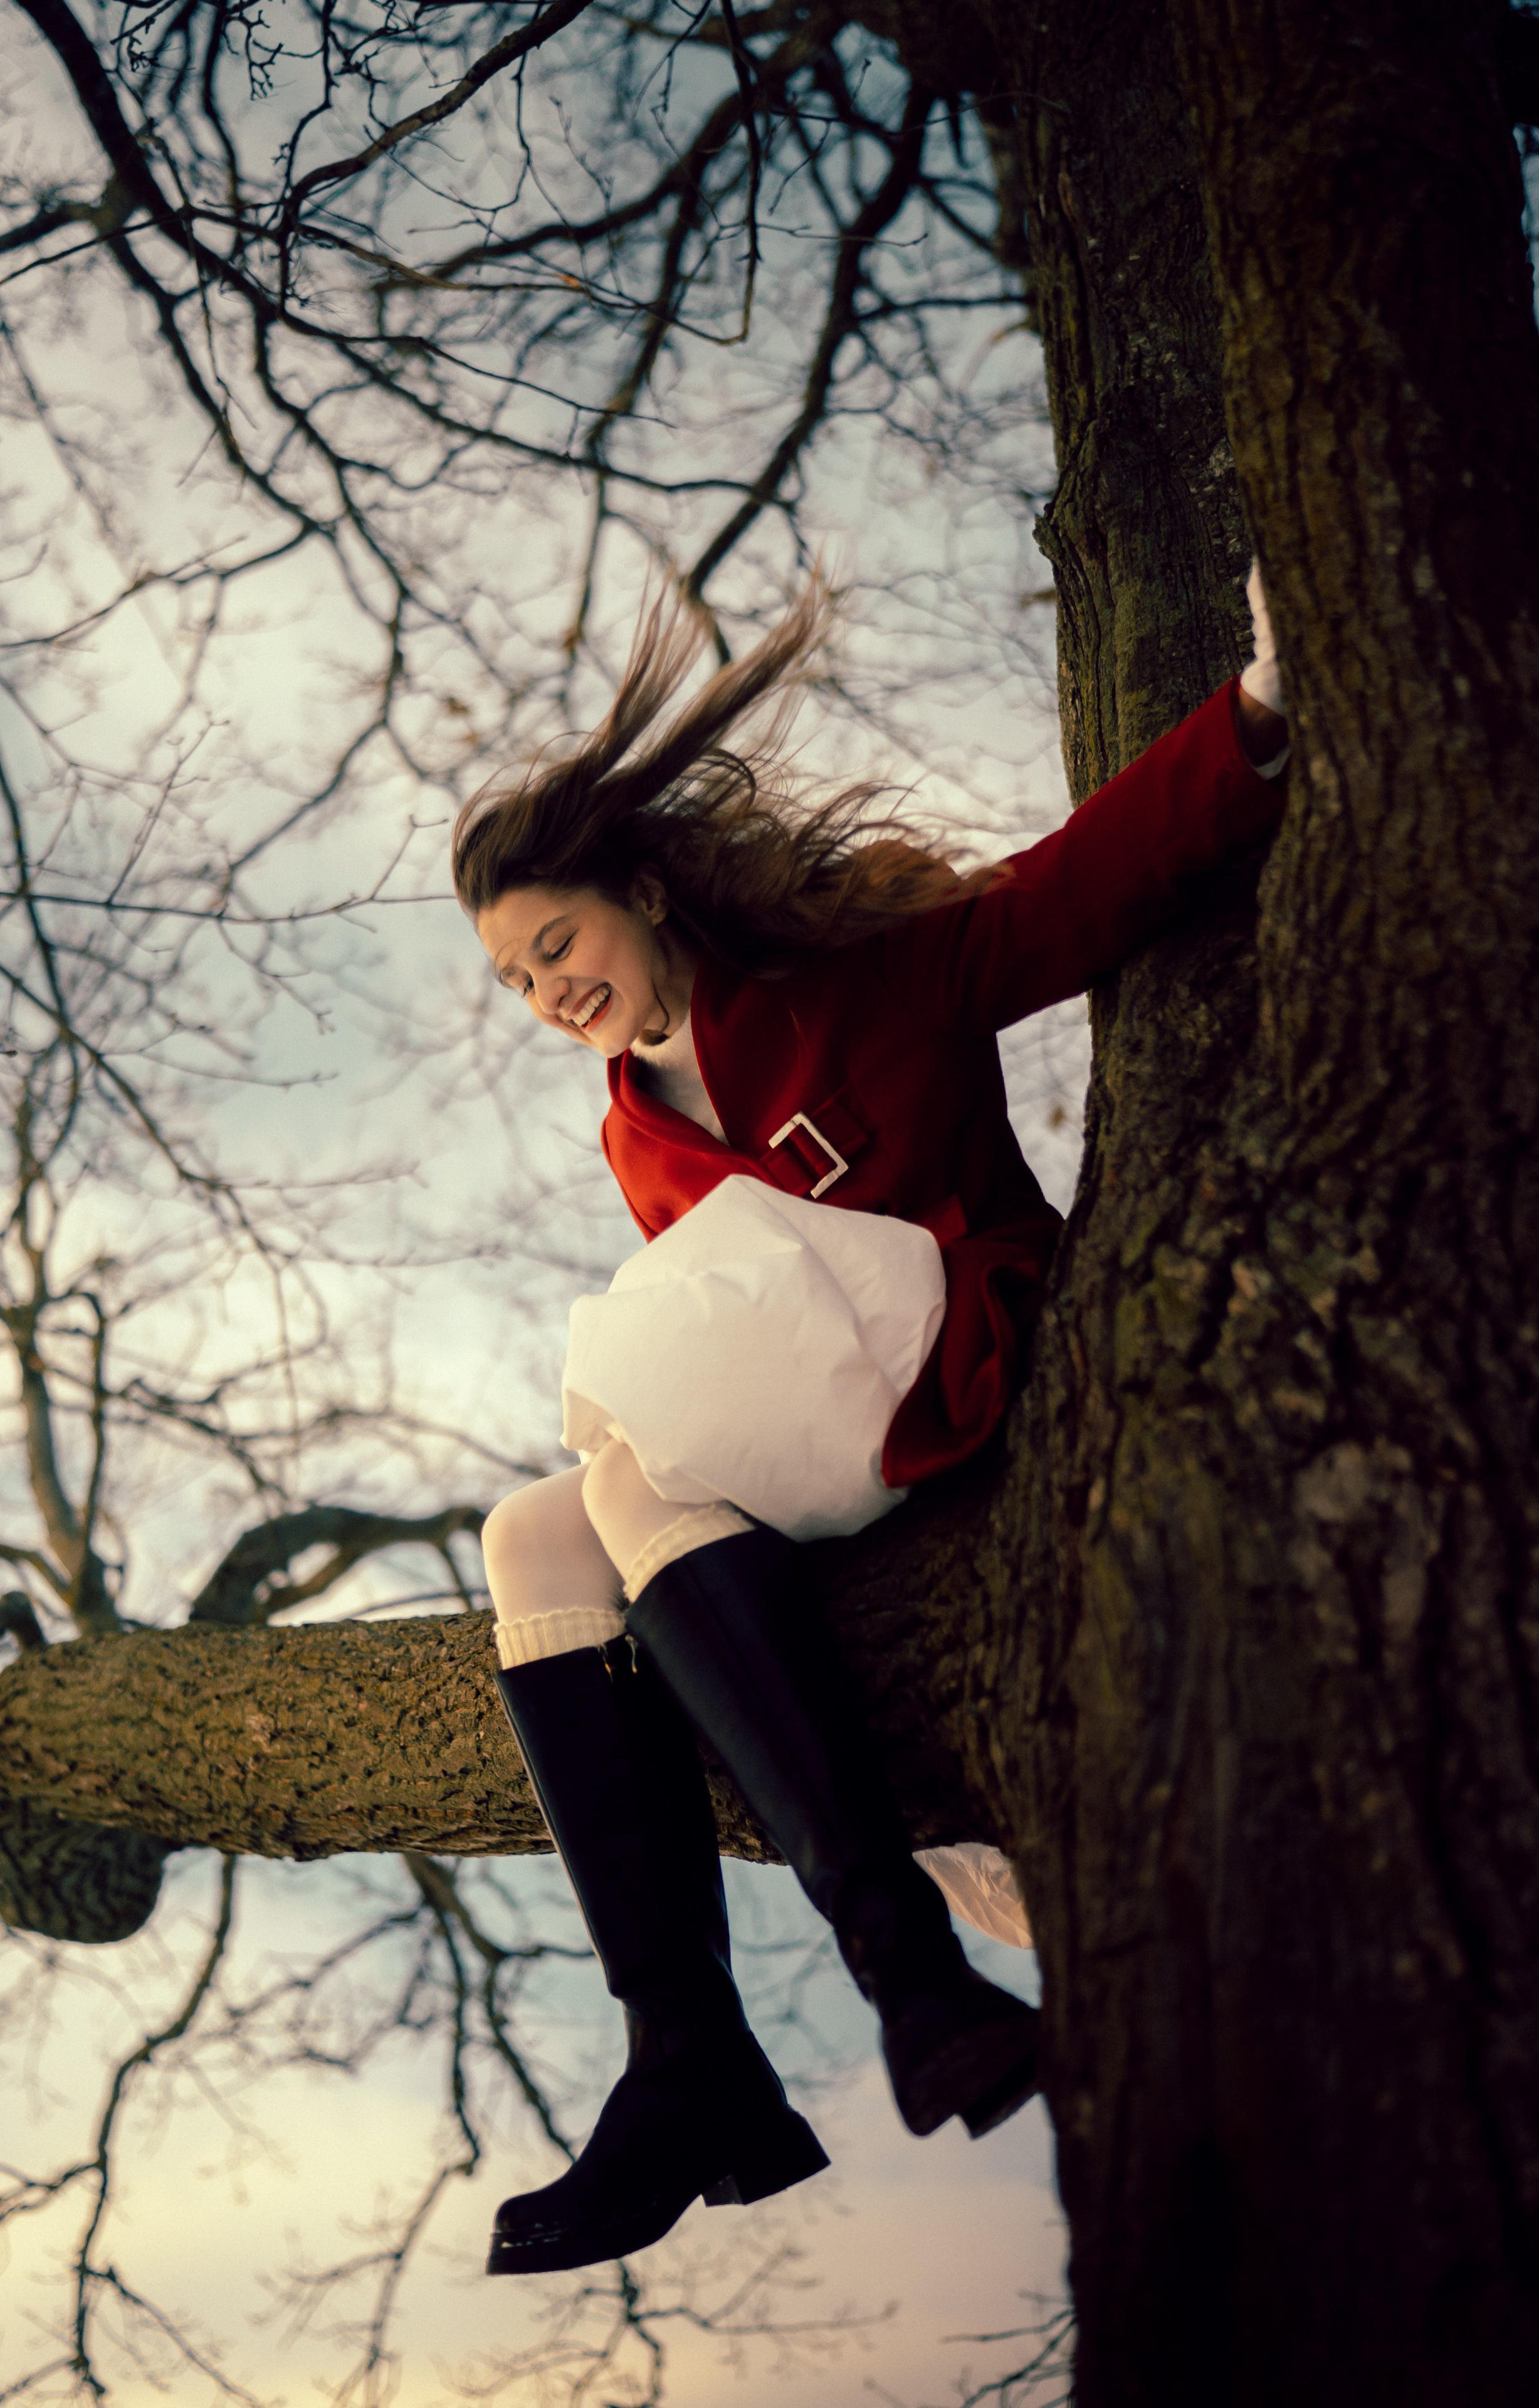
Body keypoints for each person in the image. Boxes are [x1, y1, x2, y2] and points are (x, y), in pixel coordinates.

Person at [454, 569, 1288, 2277]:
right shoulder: (633, 1138)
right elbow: (724, 1347)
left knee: (622, 1457)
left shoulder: (854, 978)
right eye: (516, 982)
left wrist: (1264, 712)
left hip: (955, 1337)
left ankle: (884, 1968)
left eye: (560, 945)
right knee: (535, 1532)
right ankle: (696, 2053)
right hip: (818, 1432)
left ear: (638, 893)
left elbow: (1074, 894)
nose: (547, 992)